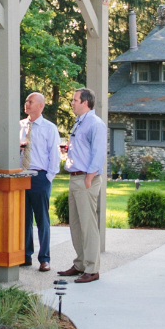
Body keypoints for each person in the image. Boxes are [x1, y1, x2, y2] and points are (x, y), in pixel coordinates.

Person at [61, 88, 107, 283]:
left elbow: (98, 153)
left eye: (75, 100)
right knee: (77, 225)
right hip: (75, 177)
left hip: (86, 179)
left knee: (88, 225)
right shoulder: (79, 122)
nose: (71, 103)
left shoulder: (96, 124)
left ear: (85, 102)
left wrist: (89, 178)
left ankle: (92, 268)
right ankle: (80, 263)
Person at [21, 92, 60, 272]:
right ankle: (25, 255)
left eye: (31, 102)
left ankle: (44, 258)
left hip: (40, 177)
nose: (27, 104)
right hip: (20, 178)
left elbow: (54, 155)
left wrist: (48, 177)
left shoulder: (49, 128)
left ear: (41, 106)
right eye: (26, 101)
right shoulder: (20, 126)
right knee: (24, 218)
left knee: (42, 219)